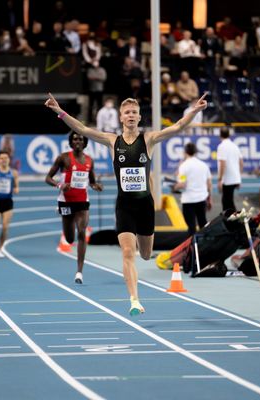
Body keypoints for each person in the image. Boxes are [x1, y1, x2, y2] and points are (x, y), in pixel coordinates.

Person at [45, 92, 208, 316]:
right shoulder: (113, 141)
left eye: (134, 112)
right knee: (127, 253)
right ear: (121, 117)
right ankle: (134, 299)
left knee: (144, 253)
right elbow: (83, 129)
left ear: (139, 117)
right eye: (127, 112)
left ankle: (139, 274)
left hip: (145, 207)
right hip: (125, 206)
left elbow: (178, 127)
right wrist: (59, 110)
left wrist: (195, 110)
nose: (131, 115)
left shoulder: (148, 139)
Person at [45, 131, 103, 284]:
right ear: (71, 142)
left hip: (82, 202)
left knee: (82, 232)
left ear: (85, 143)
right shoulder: (63, 158)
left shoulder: (90, 160)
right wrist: (60, 184)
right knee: (70, 238)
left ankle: (79, 272)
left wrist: (95, 185)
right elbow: (48, 178)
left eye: (81, 139)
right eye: (75, 139)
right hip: (65, 201)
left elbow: (91, 181)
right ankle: (65, 218)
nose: (78, 141)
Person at [174, 142, 212, 235]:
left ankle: (193, 248)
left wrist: (174, 187)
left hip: (188, 201)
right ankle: (205, 247)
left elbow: (182, 184)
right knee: (203, 224)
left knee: (191, 228)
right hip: (201, 199)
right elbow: (209, 184)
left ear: (185, 152)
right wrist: (209, 198)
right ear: (195, 152)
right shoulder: (204, 165)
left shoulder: (184, 166)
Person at [216, 127, 243, 215]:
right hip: (234, 178)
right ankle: (233, 220)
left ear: (220, 135)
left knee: (227, 203)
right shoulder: (234, 146)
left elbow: (222, 164)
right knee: (228, 201)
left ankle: (235, 221)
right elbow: (241, 162)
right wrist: (239, 178)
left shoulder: (222, 146)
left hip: (227, 179)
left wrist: (220, 179)